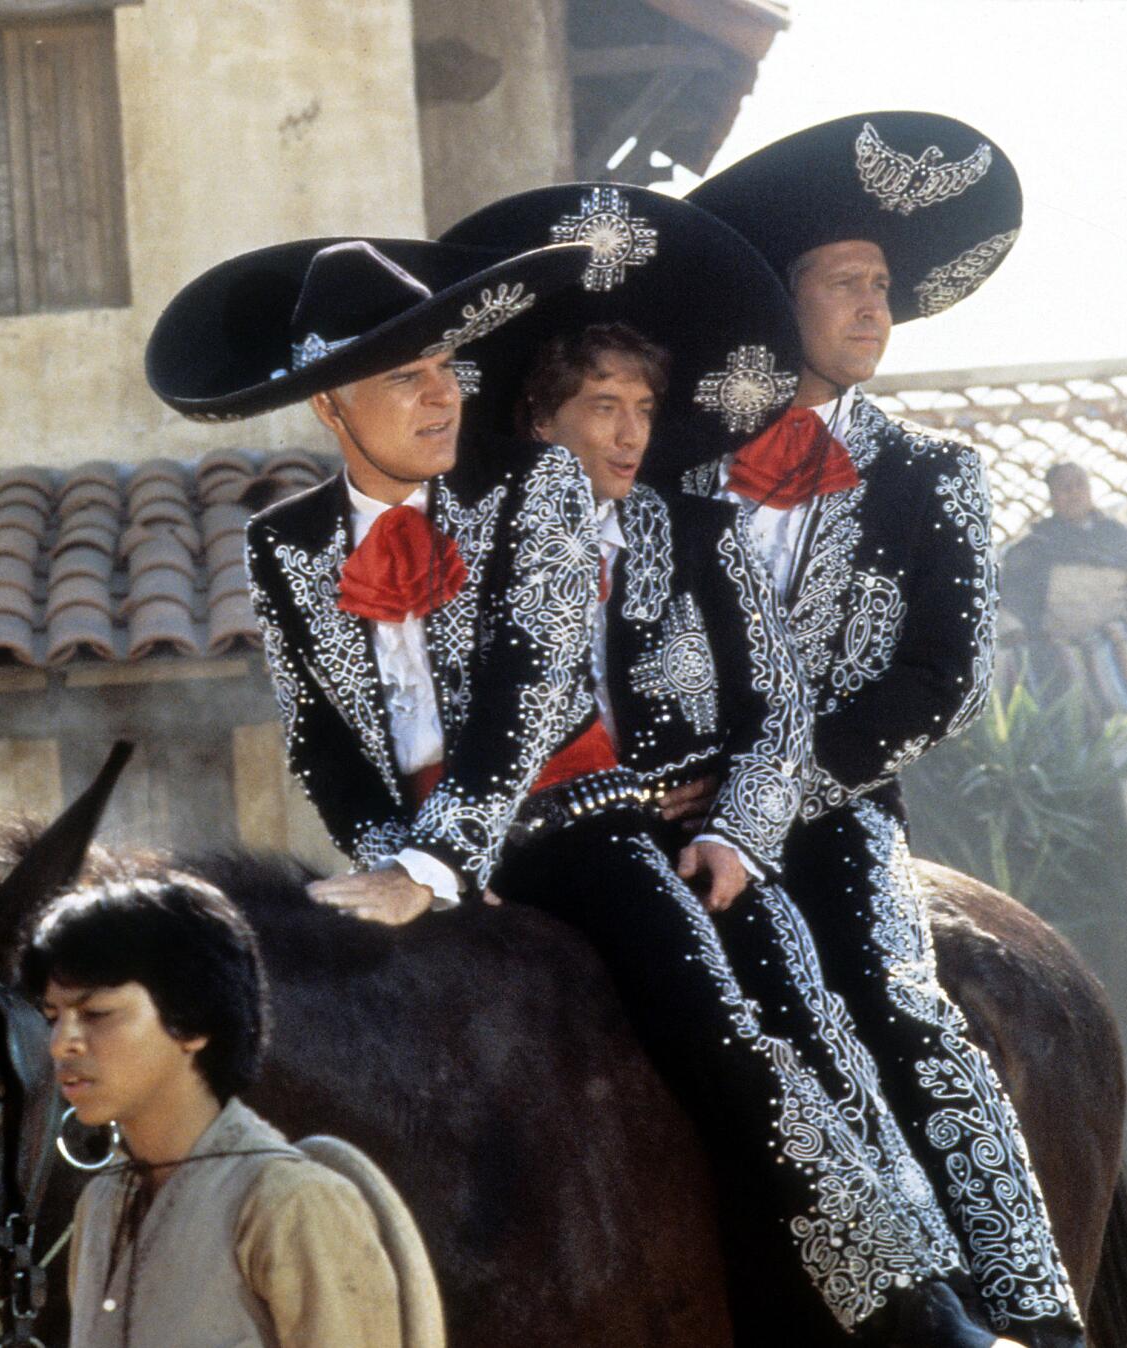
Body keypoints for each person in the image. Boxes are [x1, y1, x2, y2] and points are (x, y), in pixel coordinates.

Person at [152, 230, 982, 1348]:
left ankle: (915, 1317)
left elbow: (527, 693)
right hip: (405, 854)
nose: (439, 396)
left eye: (445, 368)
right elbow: (322, 744)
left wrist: (439, 862)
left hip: (570, 831)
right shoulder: (281, 546)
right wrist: (392, 856)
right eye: (404, 376)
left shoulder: (533, 483)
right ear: (331, 408)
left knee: (722, 1033)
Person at [448, 179, 988, 1343]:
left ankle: (954, 1288)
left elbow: (779, 708)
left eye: (642, 404)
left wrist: (741, 826)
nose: (629, 429)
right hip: (554, 836)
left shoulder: (691, 528)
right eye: (600, 404)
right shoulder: (478, 541)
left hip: (729, 826)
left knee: (845, 993)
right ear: (541, 417)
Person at [687, 112, 1083, 1346]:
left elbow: (942, 684)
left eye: (885, 288)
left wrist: (770, 796)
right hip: (669, 813)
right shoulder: (675, 467)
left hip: (832, 812)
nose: (875, 308)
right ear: (777, 296)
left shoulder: (932, 474)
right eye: (846, 283)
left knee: (895, 993)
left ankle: (1024, 1305)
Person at [25, 872, 402, 1347]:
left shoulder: (290, 1203)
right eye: (52, 1018)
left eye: (97, 1013)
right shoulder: (100, 1204)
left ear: (192, 1023)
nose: (61, 1045)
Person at [1000, 462, 1127, 732]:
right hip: (1054, 643)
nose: (1074, 493)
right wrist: (1015, 634)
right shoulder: (1035, 547)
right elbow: (1008, 601)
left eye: (1080, 485)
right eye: (1064, 488)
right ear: (1052, 496)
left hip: (1114, 640)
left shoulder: (1120, 540)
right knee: (1049, 707)